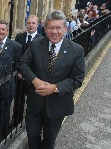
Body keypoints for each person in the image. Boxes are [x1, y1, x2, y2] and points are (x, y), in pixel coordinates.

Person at [19, 10, 85, 149]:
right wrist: (34, 80)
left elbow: (77, 79)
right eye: (50, 28)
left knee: (49, 142)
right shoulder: (36, 44)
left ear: (65, 29)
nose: (54, 32)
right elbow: (23, 64)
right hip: (35, 103)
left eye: (58, 28)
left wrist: (54, 87)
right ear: (45, 28)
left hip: (57, 106)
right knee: (32, 137)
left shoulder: (76, 50)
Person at [13, 15, 42, 127]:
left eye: (33, 23)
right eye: (29, 23)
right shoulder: (19, 37)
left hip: (33, 77)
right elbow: (16, 57)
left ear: (37, 25)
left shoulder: (41, 39)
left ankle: (29, 123)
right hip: (19, 76)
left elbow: (39, 60)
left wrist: (29, 75)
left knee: (31, 101)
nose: (30, 25)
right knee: (18, 101)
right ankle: (16, 122)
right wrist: (19, 72)